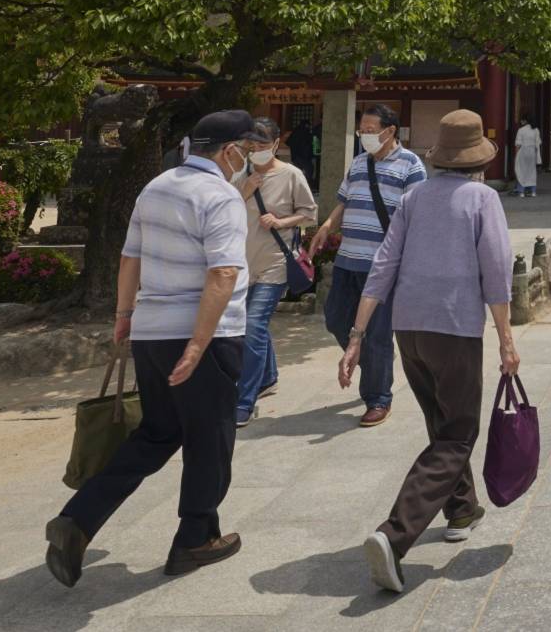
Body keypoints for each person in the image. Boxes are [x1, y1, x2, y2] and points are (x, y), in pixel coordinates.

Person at [45, 108, 264, 587]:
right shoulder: (221, 195)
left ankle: (78, 518)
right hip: (205, 334)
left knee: (158, 433)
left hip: (151, 329)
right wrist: (198, 344)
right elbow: (223, 272)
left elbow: (130, 257)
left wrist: (124, 317)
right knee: (212, 436)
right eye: (246, 151)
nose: (247, 160)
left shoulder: (156, 187)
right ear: (229, 151)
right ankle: (193, 539)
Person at [339, 109, 517, 596]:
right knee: (458, 433)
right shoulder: (483, 198)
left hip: (407, 326)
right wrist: (505, 337)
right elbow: (497, 272)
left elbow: (384, 262)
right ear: (478, 157)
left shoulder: (414, 196)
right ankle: (394, 536)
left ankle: (462, 510)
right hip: (453, 325)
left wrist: (357, 333)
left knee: (441, 422)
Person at [310, 104, 425, 428]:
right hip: (348, 258)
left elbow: (415, 216)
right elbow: (344, 201)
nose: (365, 135)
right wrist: (326, 226)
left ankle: (378, 398)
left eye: (371, 129)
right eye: (363, 129)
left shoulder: (411, 165)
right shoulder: (359, 163)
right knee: (335, 319)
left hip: (382, 265)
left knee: (376, 335)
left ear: (390, 131)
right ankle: (371, 362)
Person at [234, 117, 316, 427]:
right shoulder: (239, 175)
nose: (255, 151)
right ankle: (268, 377)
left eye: (262, 146)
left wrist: (281, 222)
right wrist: (244, 189)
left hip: (275, 262)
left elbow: (309, 213)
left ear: (276, 144)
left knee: (253, 325)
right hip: (242, 263)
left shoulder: (291, 174)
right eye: (251, 146)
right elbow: (223, 208)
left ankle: (245, 398)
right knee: (252, 324)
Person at [511, 117, 542, 198]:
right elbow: (538, 144)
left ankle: (521, 191)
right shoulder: (536, 130)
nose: (521, 122)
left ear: (525, 120)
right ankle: (533, 192)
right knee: (532, 171)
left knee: (521, 170)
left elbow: (518, 144)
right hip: (532, 152)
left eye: (522, 120)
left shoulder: (521, 130)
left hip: (523, 151)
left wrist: (516, 156)